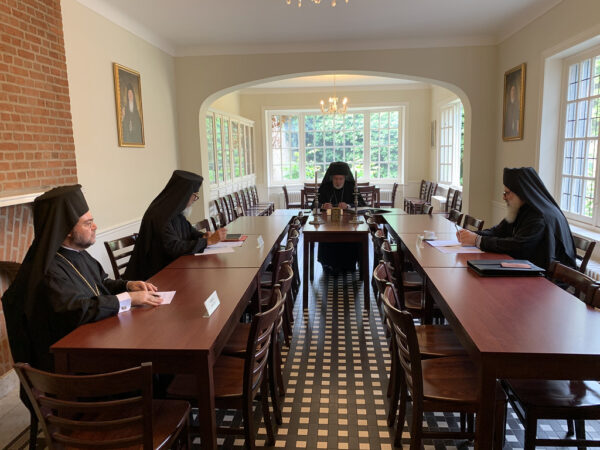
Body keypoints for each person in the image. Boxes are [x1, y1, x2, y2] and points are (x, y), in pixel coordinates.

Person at [1, 185, 162, 373]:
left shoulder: (78, 252)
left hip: (95, 340)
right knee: (150, 362)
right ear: (66, 229)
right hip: (73, 364)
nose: (95, 227)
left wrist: (128, 285)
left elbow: (101, 283)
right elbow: (78, 310)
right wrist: (129, 299)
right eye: (87, 223)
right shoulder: (48, 271)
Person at [457, 167, 576, 270]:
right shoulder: (521, 208)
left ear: (522, 193)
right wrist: (471, 235)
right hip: (526, 267)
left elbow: (518, 247)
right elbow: (498, 231)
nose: (504, 197)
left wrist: (478, 240)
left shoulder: (539, 216)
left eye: (507, 193)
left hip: (547, 280)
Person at [125, 170, 227, 280]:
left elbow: (189, 231)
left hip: (173, 268)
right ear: (185, 195)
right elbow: (174, 247)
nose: (194, 200)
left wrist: (202, 236)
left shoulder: (172, 211)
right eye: (195, 196)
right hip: (155, 276)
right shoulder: (159, 216)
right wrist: (207, 242)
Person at [314, 161, 365, 273]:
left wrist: (348, 205)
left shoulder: (351, 187)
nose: (338, 182)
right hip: (328, 224)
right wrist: (323, 206)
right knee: (328, 238)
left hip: (347, 223)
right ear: (331, 178)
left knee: (350, 238)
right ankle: (327, 263)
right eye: (336, 179)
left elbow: (362, 204)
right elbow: (313, 205)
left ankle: (349, 263)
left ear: (345, 178)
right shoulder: (325, 187)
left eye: (341, 179)